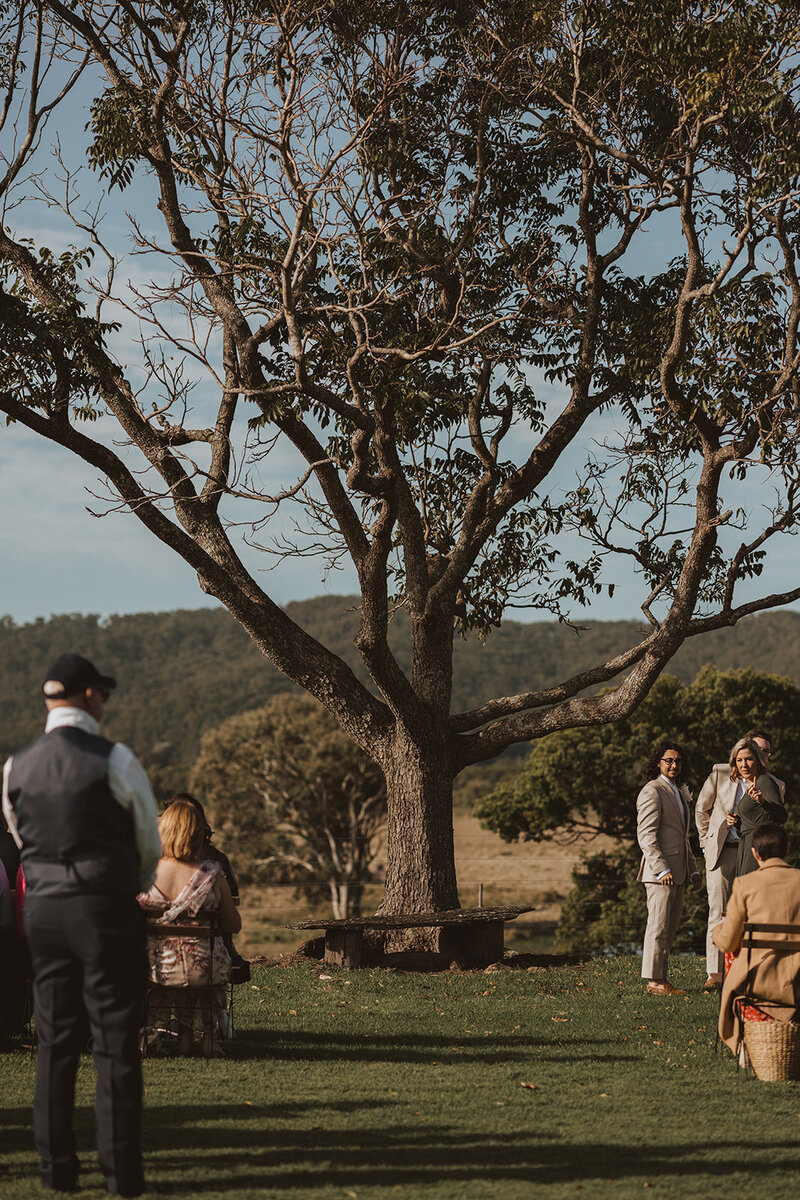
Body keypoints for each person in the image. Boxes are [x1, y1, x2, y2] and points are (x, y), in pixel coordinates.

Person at [1, 653, 160, 1197]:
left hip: (43, 911)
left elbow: (22, 840)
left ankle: (56, 1171)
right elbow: (148, 843)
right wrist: (126, 880)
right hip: (103, 907)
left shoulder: (14, 765)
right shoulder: (114, 760)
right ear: (91, 696)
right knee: (115, 1041)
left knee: (55, 1040)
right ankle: (121, 1174)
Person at [138, 798, 241, 1057]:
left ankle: (152, 1039)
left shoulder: (145, 874)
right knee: (200, 965)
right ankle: (206, 1040)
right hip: (204, 970)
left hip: (156, 969)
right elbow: (233, 925)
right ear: (198, 834)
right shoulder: (212, 874)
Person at [696, 729, 787, 988]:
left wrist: (761, 807)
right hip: (725, 850)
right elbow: (701, 808)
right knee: (721, 909)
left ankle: (749, 968)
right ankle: (716, 973)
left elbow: (777, 819)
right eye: (740, 759)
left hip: (752, 851)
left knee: (750, 910)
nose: (745, 764)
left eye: (751, 758)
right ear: (735, 759)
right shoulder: (722, 774)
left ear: (760, 758)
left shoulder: (770, 782)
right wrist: (709, 840)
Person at [713, 822, 800, 1057]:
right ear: (787, 849)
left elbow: (729, 942)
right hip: (797, 978)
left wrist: (716, 934)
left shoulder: (745, 884)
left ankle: (745, 1044)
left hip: (756, 979)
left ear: (754, 853)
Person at [636, 740, 702, 996]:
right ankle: (654, 981)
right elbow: (646, 835)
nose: (674, 765)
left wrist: (694, 869)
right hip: (660, 874)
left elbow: (683, 838)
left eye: (678, 761)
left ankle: (661, 979)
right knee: (658, 926)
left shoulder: (677, 790)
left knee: (669, 927)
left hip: (680, 872)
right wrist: (662, 869)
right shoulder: (652, 790)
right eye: (668, 760)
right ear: (658, 762)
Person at [724, 737, 786, 878]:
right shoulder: (752, 783)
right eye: (739, 760)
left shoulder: (765, 781)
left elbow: (782, 816)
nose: (743, 765)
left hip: (759, 848)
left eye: (748, 759)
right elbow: (756, 821)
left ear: (758, 760)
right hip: (746, 847)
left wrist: (763, 801)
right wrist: (735, 822)